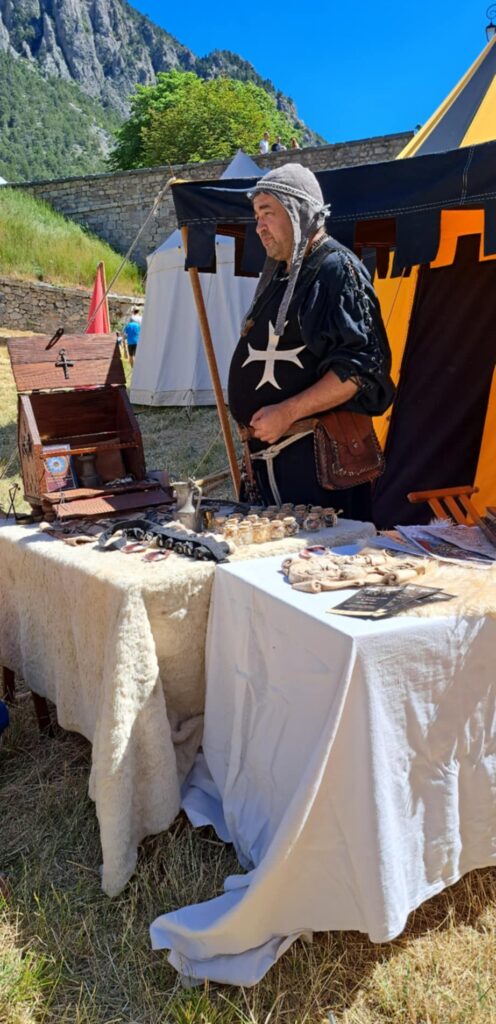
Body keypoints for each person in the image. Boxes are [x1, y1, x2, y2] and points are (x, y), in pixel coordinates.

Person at [227, 163, 395, 520]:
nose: (259, 227)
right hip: (273, 464)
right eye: (256, 216)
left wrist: (287, 412)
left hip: (318, 469)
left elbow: (361, 367)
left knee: (323, 554)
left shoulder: (336, 270)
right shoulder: (283, 276)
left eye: (267, 213)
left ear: (298, 212)